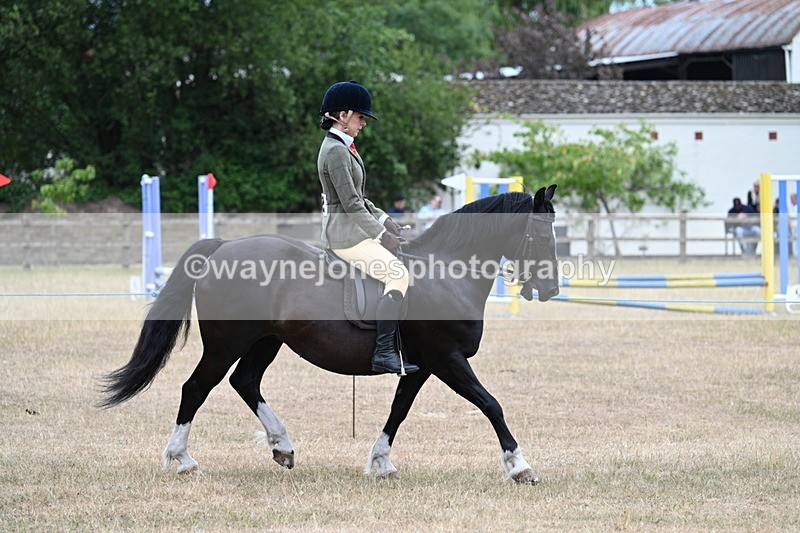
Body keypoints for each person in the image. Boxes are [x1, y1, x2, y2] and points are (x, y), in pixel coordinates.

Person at [316, 80, 418, 375]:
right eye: (361, 117)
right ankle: (384, 353)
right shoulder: (335, 151)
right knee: (398, 275)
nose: (363, 124)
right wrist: (380, 235)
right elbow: (350, 204)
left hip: (354, 230)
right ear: (343, 115)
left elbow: (360, 199)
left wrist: (387, 221)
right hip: (344, 236)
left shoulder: (344, 148)